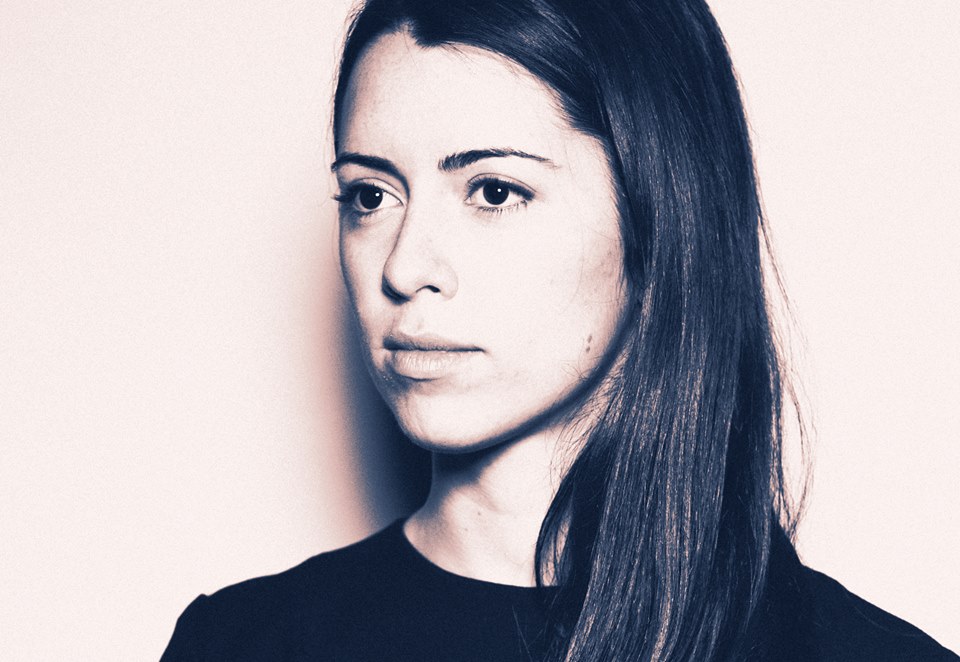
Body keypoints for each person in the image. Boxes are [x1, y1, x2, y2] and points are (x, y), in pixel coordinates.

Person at [160, 0, 957, 659]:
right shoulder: (239, 643)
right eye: (370, 196)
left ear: (657, 215)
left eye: (494, 191)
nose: (404, 267)